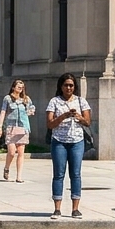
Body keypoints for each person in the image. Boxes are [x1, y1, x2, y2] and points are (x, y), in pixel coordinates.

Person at [47, 73, 92, 218]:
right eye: (66, 85)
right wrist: (63, 116)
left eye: (71, 85)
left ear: (75, 87)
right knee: (59, 174)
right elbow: (50, 123)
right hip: (59, 141)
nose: (68, 88)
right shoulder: (54, 101)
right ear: (61, 86)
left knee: (76, 174)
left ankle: (75, 208)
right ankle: (57, 208)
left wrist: (79, 117)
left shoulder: (81, 101)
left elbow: (88, 122)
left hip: (77, 141)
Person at [0, 79, 34, 182]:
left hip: (23, 127)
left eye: (22, 88)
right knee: (12, 152)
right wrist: (0, 127)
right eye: (18, 87)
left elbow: (31, 107)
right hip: (11, 127)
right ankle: (7, 168)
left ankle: (19, 176)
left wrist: (31, 111)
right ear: (13, 87)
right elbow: (3, 112)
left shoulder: (26, 99)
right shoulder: (7, 99)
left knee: (21, 152)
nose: (20, 89)